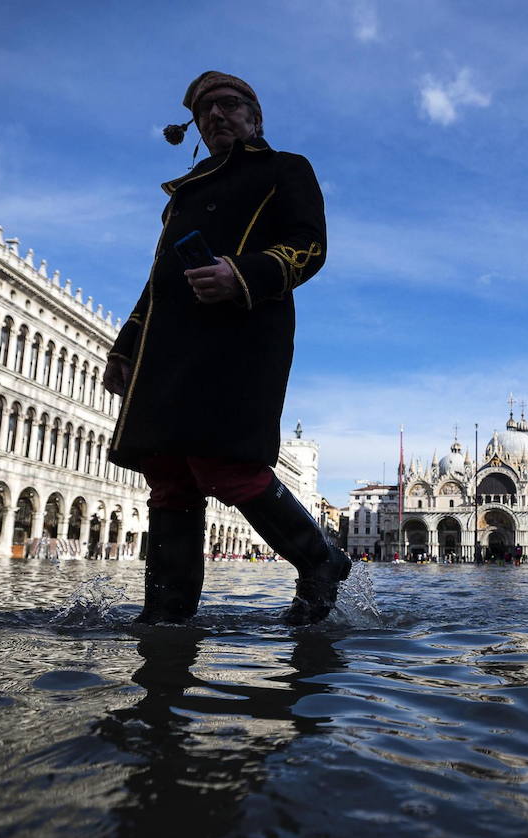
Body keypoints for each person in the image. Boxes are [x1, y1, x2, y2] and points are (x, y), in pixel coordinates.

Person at [104, 71, 350, 626]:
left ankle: (320, 559)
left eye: (229, 105)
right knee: (169, 472)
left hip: (240, 335)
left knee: (224, 461)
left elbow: (310, 247)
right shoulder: (182, 196)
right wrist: (126, 346)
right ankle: (166, 614)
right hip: (169, 346)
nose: (216, 116)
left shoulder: (286, 169)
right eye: (204, 111)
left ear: (254, 116)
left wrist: (241, 274)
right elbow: (158, 280)